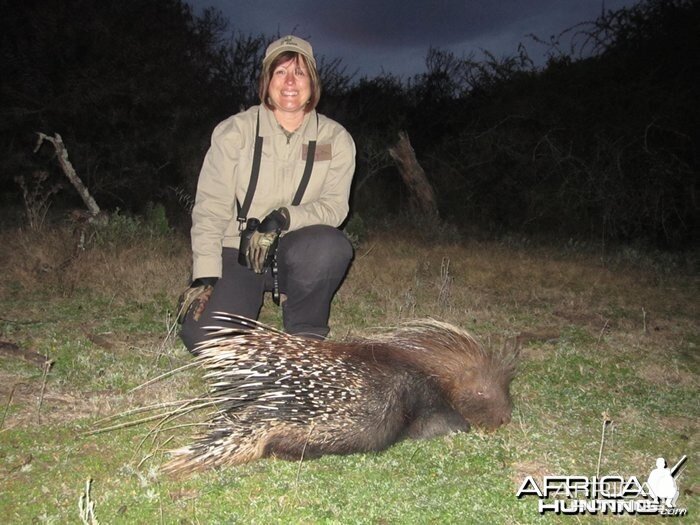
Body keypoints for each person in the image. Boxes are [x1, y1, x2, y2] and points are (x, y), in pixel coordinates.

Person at [178, 35, 355, 352]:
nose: (290, 82)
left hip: (296, 249)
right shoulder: (234, 131)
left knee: (331, 245)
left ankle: (306, 334)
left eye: (299, 73)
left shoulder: (335, 138)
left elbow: (335, 207)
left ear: (312, 83)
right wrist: (205, 275)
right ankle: (232, 300)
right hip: (239, 252)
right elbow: (210, 208)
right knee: (205, 339)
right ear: (266, 80)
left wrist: (285, 217)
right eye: (280, 72)